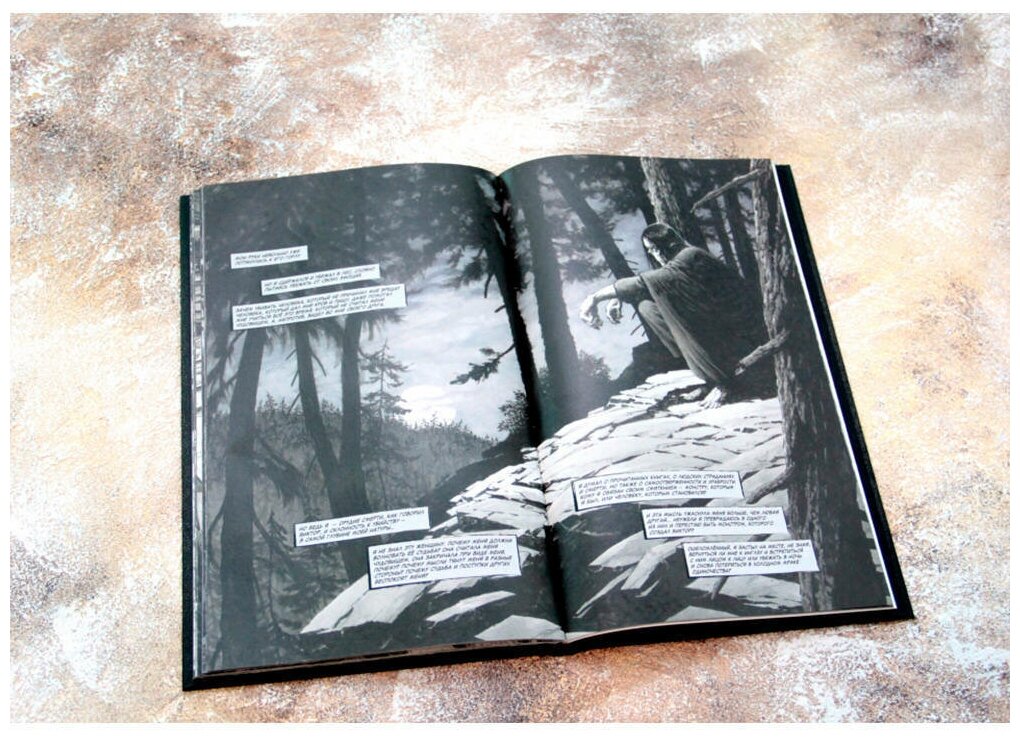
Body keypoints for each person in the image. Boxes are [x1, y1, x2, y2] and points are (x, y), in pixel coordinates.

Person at [579, 222, 769, 406]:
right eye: (650, 250)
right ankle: (713, 379)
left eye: (656, 248)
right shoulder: (679, 263)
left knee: (658, 298)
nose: (654, 254)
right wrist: (618, 297)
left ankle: (727, 381)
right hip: (722, 329)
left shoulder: (691, 255)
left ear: (671, 243)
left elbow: (648, 282)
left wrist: (595, 297)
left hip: (743, 335)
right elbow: (650, 286)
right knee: (646, 306)